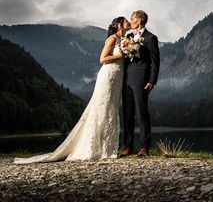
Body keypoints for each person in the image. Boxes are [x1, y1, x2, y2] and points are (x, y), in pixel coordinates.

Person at [14, 17, 128, 164]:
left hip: (117, 77)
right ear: (119, 24)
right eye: (126, 21)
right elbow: (103, 58)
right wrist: (122, 54)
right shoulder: (112, 39)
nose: (128, 23)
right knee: (102, 108)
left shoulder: (124, 39)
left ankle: (107, 148)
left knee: (111, 108)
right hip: (108, 76)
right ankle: (94, 148)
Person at [119, 9, 159, 157]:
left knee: (141, 114)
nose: (131, 21)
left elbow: (155, 62)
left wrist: (152, 81)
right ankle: (128, 147)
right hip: (127, 80)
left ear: (140, 20)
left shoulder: (150, 38)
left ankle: (144, 147)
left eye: (132, 18)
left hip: (141, 80)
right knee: (127, 114)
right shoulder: (128, 37)